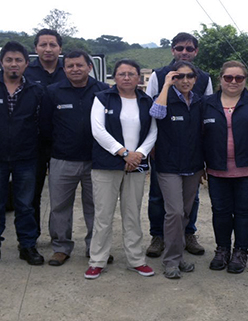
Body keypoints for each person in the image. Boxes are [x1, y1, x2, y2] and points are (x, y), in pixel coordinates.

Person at [0, 41, 46, 268]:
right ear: (1, 62)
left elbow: (42, 122)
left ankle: (27, 246)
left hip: (26, 157)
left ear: (26, 63)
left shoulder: (36, 90)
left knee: (25, 205)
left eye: (18, 60)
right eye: (9, 60)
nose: (13, 64)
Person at [201, 61, 248, 274]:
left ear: (246, 80)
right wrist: (200, 165)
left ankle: (240, 251)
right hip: (217, 169)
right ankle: (222, 249)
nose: (233, 82)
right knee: (220, 212)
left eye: (239, 78)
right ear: (220, 79)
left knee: (244, 212)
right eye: (228, 77)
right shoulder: (206, 103)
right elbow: (198, 136)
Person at [84, 59, 157, 279]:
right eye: (122, 73)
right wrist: (124, 153)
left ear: (138, 78)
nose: (127, 77)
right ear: (114, 77)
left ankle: (136, 260)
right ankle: (97, 260)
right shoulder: (102, 98)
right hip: (106, 165)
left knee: (132, 215)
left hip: (137, 165)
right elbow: (98, 130)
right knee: (103, 216)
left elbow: (153, 131)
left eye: (131, 74)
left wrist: (139, 155)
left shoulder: (146, 101)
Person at [144, 32, 212, 258]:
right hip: (164, 148)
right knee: (157, 195)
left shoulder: (204, 77)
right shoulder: (158, 75)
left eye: (189, 48)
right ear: (172, 50)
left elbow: (207, 115)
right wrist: (151, 145)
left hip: (192, 151)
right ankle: (158, 236)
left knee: (191, 198)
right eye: (180, 48)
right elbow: (151, 113)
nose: (184, 52)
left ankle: (188, 233)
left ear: (196, 51)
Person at [40, 50, 109, 266]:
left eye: (80, 65)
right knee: (59, 206)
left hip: (95, 161)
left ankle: (94, 247)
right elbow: (45, 126)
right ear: (64, 69)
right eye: (70, 66)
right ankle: (61, 247)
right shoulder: (52, 92)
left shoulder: (103, 91)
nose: (75, 69)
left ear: (89, 67)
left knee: (95, 206)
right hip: (62, 160)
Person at [149, 60, 204, 279]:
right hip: (169, 166)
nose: (185, 80)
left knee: (185, 214)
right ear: (172, 78)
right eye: (179, 76)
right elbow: (156, 113)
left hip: (193, 165)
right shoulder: (165, 99)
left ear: (196, 79)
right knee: (174, 212)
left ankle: (179, 256)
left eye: (190, 76)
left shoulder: (200, 102)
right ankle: (171, 260)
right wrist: (165, 86)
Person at [23, 29, 67, 236]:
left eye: (53, 45)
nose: (48, 49)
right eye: (43, 45)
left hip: (63, 142)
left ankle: (59, 237)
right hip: (34, 142)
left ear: (60, 48)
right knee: (33, 192)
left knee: (62, 194)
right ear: (36, 48)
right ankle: (32, 237)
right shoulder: (26, 72)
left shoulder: (69, 70)